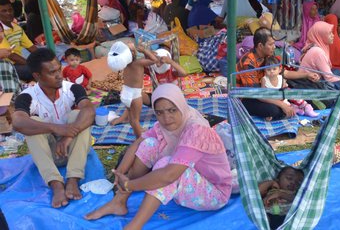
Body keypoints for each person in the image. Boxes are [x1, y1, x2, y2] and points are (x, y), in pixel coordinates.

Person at [85, 84, 232, 227]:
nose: (166, 118)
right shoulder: (170, 122)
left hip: (213, 193)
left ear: (181, 106)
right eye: (160, 113)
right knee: (150, 144)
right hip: (189, 178)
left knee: (166, 166)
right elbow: (139, 142)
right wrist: (120, 172)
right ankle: (120, 201)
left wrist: (130, 184)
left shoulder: (197, 129)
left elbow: (169, 175)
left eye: (172, 110)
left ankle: (134, 226)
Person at [12, 49, 95, 208]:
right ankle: (56, 184)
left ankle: (73, 179)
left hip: (72, 150)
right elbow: (17, 122)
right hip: (48, 154)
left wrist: (69, 135)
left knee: (77, 115)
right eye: (52, 72)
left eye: (59, 69)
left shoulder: (72, 88)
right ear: (37, 76)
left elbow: (90, 111)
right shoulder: (27, 96)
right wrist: (54, 128)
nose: (59, 75)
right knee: (32, 122)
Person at [236, 27, 320, 121]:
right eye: (271, 44)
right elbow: (257, 94)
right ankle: (288, 110)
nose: (274, 47)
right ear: (260, 46)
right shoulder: (248, 63)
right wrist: (282, 104)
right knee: (273, 110)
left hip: (267, 92)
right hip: (248, 98)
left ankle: (291, 109)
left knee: (296, 92)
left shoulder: (267, 56)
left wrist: (307, 75)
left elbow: (283, 72)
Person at [109, 42, 158, 139]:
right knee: (135, 120)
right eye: (132, 51)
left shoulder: (124, 64)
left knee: (131, 116)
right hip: (135, 95)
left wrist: (147, 52)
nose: (134, 52)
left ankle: (133, 125)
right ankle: (139, 138)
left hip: (125, 93)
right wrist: (145, 50)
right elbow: (154, 60)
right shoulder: (138, 63)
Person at [300, 21, 340, 91]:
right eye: (329, 33)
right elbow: (329, 78)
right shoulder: (318, 52)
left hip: (317, 78)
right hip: (311, 84)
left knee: (337, 71)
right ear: (321, 35)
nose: (333, 35)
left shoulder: (316, 45)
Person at [0, 0, 38, 81]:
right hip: (7, 65)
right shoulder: (0, 30)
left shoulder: (17, 28)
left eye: (10, 10)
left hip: (20, 62)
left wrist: (45, 58)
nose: (9, 13)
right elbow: (11, 55)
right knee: (34, 71)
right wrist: (31, 65)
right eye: (4, 11)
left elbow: (31, 47)